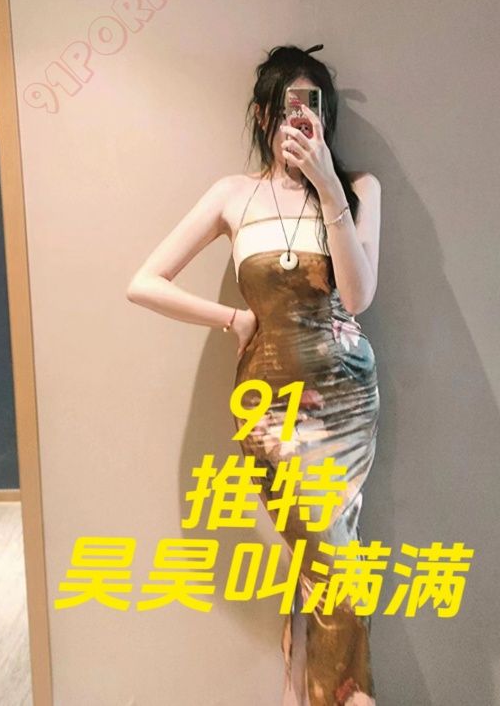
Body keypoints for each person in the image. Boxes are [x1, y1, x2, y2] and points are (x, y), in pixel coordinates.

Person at [127, 44, 382, 706]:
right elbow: (144, 281)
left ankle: (305, 691)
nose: (300, 121)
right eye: (288, 107)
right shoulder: (232, 195)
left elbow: (358, 297)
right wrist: (233, 320)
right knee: (337, 570)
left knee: (325, 563)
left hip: (347, 402)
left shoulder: (358, 189)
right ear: (264, 113)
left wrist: (327, 185)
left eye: (312, 108)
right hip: (271, 408)